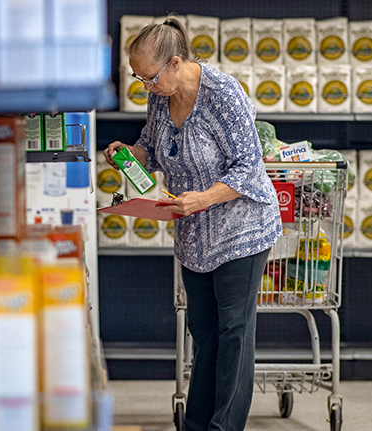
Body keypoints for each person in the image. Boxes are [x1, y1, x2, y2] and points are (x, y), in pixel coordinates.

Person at [103, 16, 282, 431]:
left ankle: (225, 426)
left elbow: (250, 168)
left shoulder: (224, 94)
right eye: (138, 78)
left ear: (176, 62)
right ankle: (197, 424)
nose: (144, 86)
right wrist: (128, 154)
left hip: (242, 229)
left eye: (148, 77)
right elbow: (151, 144)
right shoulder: (159, 98)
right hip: (194, 236)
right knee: (204, 334)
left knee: (234, 332)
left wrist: (203, 198)